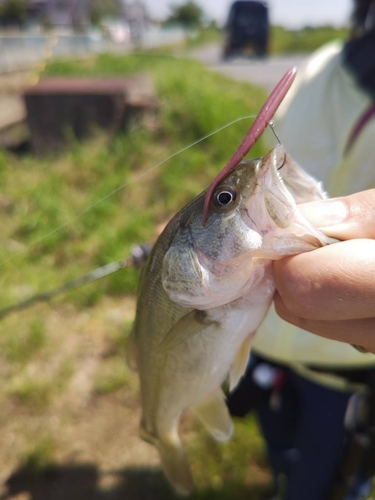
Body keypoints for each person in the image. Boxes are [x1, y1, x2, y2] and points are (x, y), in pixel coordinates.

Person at [227, 1, 375, 499]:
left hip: (351, 369)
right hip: (263, 331)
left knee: (327, 478)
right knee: (279, 448)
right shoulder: (321, 63)